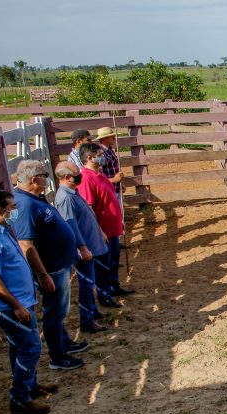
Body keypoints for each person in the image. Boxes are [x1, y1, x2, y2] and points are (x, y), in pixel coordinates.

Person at [0, 189, 57, 414]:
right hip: (9, 306)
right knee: (31, 346)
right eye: (12, 208)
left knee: (19, 345)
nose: (15, 211)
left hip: (22, 300)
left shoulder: (1, 230)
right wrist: (16, 305)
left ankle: (29, 385)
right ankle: (20, 398)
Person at [12, 160, 86, 370]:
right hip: (51, 268)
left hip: (58, 264)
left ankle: (64, 343)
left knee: (59, 310)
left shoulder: (34, 197)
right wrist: (42, 275)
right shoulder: (24, 205)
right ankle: (58, 356)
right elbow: (26, 243)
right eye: (45, 175)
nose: (48, 178)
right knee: (55, 312)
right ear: (34, 180)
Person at [53, 161, 110, 332]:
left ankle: (92, 311)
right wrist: (82, 247)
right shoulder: (65, 198)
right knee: (86, 284)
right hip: (83, 248)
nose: (80, 175)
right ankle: (86, 320)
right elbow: (71, 226)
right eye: (76, 172)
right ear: (66, 177)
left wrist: (99, 231)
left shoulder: (73, 192)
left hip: (89, 244)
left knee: (90, 282)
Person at [76, 143, 135, 301]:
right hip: (103, 230)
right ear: (90, 158)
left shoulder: (100, 174)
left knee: (113, 260)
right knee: (103, 264)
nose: (103, 157)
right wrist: (99, 230)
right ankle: (104, 294)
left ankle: (113, 286)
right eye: (99, 154)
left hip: (112, 227)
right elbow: (88, 208)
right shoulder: (86, 178)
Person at [93, 127, 124, 199]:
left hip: (115, 188)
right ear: (105, 138)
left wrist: (121, 184)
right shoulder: (100, 153)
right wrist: (114, 180)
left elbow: (115, 168)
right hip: (108, 190)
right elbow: (98, 176)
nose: (114, 138)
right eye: (112, 136)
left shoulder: (110, 150)